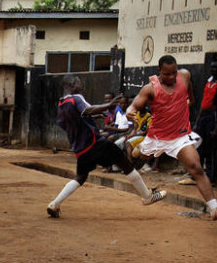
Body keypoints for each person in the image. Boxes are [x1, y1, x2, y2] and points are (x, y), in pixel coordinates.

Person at [46, 74, 166, 218]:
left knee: (81, 177)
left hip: (80, 147)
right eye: (79, 82)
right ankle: (147, 196)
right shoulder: (76, 98)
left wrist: (93, 117)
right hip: (94, 142)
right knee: (124, 161)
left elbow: (71, 120)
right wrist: (108, 106)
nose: (81, 85)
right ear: (71, 84)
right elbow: (87, 110)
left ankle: (55, 204)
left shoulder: (61, 104)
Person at [126, 55, 217, 220]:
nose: (171, 77)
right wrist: (129, 113)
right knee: (142, 157)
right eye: (166, 74)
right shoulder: (150, 88)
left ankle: (214, 208)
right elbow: (133, 106)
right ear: (159, 72)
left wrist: (187, 100)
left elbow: (188, 92)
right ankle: (140, 148)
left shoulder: (184, 76)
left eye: (173, 73)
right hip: (157, 137)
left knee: (196, 167)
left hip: (179, 137)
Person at [191, 58, 217, 185]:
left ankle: (211, 177)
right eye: (212, 67)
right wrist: (197, 122)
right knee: (200, 147)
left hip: (214, 117)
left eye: (216, 67)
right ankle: (199, 175)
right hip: (204, 116)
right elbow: (203, 104)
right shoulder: (209, 82)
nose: (213, 70)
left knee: (212, 150)